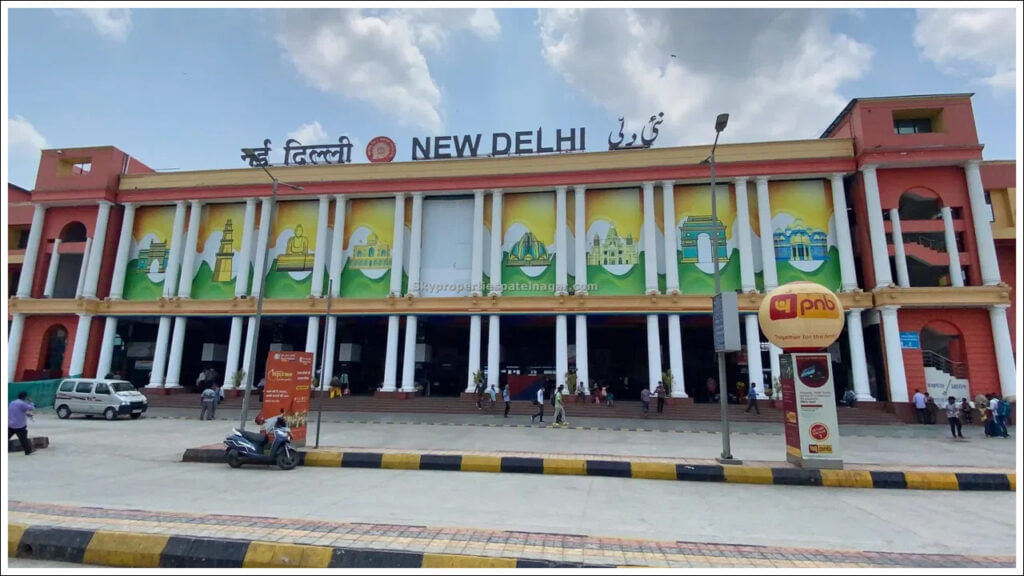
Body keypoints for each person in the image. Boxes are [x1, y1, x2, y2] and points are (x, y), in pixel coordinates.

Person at [8, 392, 36, 456]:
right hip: (19, 426)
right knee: (23, 439)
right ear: (25, 397)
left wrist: (26, 414)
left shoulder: (12, 403)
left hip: (10, 424)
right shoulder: (22, 403)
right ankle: (28, 451)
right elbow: (32, 408)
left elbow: (16, 411)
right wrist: (31, 402)